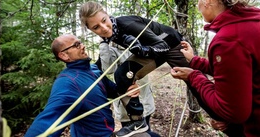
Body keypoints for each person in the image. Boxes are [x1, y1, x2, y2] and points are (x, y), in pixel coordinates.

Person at [170, 0, 260, 136]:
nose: (197, 6)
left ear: (208, 1)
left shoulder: (229, 39)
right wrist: (194, 60)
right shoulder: (259, 23)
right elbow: (237, 73)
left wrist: (193, 76)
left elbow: (232, 112)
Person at [79, 2, 192, 136]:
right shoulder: (111, 36)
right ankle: (137, 121)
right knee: (122, 74)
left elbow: (162, 44)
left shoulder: (126, 25)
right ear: (91, 30)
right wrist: (81, 70)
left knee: (196, 81)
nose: (103, 28)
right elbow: (102, 65)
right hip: (157, 50)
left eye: (104, 20)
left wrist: (143, 51)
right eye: (96, 27)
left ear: (107, 15)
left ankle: (220, 111)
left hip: (172, 44)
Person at [24, 34, 140, 137]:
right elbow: (48, 121)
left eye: (80, 42)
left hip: (109, 132)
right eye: (77, 45)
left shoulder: (94, 70)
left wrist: (128, 90)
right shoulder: (68, 83)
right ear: (64, 55)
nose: (83, 46)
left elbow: (114, 91)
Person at [94, 42, 157, 133]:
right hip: (126, 105)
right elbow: (108, 69)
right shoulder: (111, 50)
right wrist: (104, 43)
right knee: (129, 132)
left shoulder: (139, 44)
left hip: (145, 98)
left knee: (146, 131)